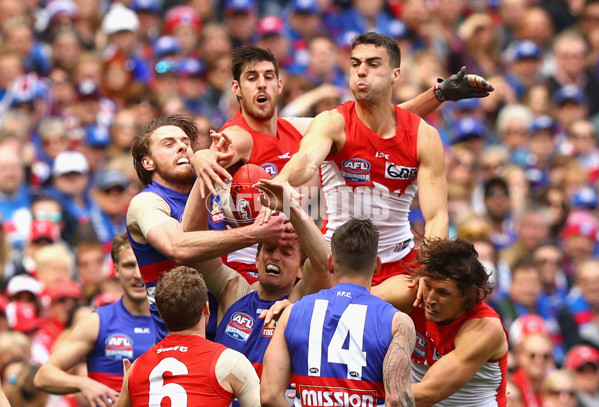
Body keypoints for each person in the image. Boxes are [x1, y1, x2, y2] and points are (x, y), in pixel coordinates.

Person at [197, 44, 492, 280]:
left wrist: (438, 94)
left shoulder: (294, 128)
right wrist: (202, 155)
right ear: (236, 88)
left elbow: (372, 123)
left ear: (280, 85)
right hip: (246, 268)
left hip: (292, 262)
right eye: (252, 79)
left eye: (268, 77)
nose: (261, 85)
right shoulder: (238, 135)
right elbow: (220, 149)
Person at [264, 33, 454, 285]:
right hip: (335, 262)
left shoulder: (424, 136)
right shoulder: (333, 121)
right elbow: (307, 159)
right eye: (355, 64)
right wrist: (284, 179)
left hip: (399, 266)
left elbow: (437, 216)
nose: (361, 71)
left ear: (395, 74)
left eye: (373, 64)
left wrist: (431, 270)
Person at [126, 115, 296, 340]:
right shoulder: (147, 202)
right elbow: (177, 247)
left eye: (186, 143)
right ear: (148, 162)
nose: (182, 148)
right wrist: (255, 233)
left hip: (230, 332)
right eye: (169, 144)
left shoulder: (216, 195)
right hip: (179, 340)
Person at [260, 218, 415, 407]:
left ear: (331, 263)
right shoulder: (397, 322)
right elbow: (397, 400)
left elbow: (269, 395)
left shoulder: (292, 312)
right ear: (376, 265)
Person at [192, 178, 330, 380]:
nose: (275, 256)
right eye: (270, 248)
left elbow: (324, 263)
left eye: (286, 252)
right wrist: (201, 172)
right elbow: (194, 248)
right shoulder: (234, 291)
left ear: (301, 269)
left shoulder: (301, 300)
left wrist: (291, 209)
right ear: (257, 259)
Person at [34, 233, 155, 407]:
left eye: (142, 264)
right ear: (116, 269)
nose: (137, 274)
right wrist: (83, 384)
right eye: (129, 265)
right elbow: (43, 376)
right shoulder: (97, 321)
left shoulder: (170, 320)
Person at [114, 266, 260, 407]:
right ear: (206, 308)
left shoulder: (136, 369)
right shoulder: (229, 361)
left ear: (162, 315)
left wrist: (130, 383)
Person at [402, 238, 509, 406]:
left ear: (468, 295)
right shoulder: (411, 295)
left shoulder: (485, 328)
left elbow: (427, 394)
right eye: (428, 286)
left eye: (443, 293)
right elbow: (357, 298)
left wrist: (357, 392)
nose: (430, 299)